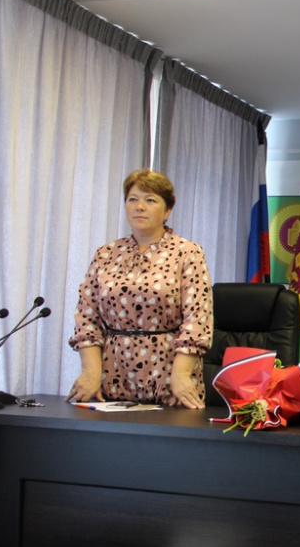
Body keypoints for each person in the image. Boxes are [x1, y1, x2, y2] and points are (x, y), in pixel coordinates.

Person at [66, 170, 213, 408]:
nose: (139, 207)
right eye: (133, 199)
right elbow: (86, 318)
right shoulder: (106, 253)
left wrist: (181, 375)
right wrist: (90, 372)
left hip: (171, 375)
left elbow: (198, 320)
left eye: (150, 200)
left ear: (167, 210)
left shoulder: (187, 252)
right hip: (112, 374)